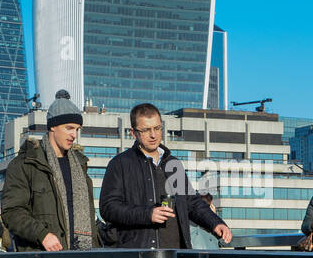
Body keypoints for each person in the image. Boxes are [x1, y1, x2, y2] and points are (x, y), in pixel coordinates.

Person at [99, 102, 231, 250]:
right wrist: (147, 214)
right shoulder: (119, 164)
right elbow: (108, 208)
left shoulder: (174, 164)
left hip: (176, 256)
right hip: (138, 256)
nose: (153, 135)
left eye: (157, 128)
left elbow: (192, 203)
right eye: (146, 130)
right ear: (133, 133)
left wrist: (215, 222)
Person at [0, 91, 101, 251]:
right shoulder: (25, 164)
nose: (74, 135)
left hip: (82, 257)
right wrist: (42, 234)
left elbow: (89, 218)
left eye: (77, 129)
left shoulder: (80, 166)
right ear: (53, 126)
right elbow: (11, 212)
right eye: (69, 128)